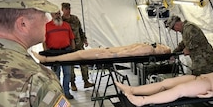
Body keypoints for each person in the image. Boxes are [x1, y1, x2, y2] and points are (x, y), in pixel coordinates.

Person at [115, 66, 213, 107]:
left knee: (179, 90)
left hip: (209, 85)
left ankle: (143, 100)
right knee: (166, 83)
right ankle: (132, 89)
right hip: (202, 78)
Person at [61, 2, 94, 90]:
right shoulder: (61, 21)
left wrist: (84, 39)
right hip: (68, 46)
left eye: (69, 8)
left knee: (83, 63)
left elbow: (80, 30)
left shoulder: (75, 18)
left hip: (79, 44)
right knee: (70, 66)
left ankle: (86, 81)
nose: (68, 10)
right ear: (62, 10)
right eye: (66, 9)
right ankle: (73, 84)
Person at [33, 42, 172, 63]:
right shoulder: (148, 47)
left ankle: (47, 59)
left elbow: (127, 54)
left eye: (162, 47)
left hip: (108, 53)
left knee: (79, 55)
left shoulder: (148, 49)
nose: (160, 45)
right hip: (108, 51)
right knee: (78, 53)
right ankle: (47, 55)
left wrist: (112, 55)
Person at [44, 10, 75, 99]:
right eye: (55, 14)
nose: (57, 15)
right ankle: (58, 94)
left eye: (59, 14)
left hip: (66, 51)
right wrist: (46, 53)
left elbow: (72, 38)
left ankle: (66, 92)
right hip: (53, 53)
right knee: (55, 74)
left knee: (68, 73)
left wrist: (73, 51)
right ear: (51, 14)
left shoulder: (66, 25)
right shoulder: (47, 26)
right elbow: (44, 41)